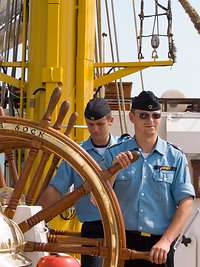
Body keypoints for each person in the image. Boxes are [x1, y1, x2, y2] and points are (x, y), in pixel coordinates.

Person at [103, 90, 195, 267]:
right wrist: (113, 170)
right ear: (132, 117)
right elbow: (96, 199)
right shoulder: (114, 155)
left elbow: (186, 203)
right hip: (122, 244)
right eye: (144, 115)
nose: (150, 121)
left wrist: (166, 241)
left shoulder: (175, 157)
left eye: (155, 115)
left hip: (160, 247)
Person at [38, 97, 119, 267]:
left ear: (110, 121)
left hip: (123, 227)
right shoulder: (76, 154)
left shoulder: (125, 149)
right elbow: (56, 188)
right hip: (92, 229)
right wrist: (34, 218)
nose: (94, 129)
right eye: (90, 124)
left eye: (100, 124)